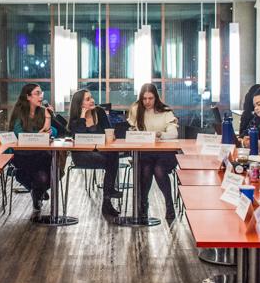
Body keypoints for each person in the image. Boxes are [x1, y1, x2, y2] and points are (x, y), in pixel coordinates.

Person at [127, 83, 178, 223]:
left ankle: (169, 205)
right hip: (145, 152)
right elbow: (131, 130)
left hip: (165, 153)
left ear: (156, 98)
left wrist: (160, 134)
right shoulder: (136, 109)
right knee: (146, 170)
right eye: (144, 99)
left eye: (150, 98)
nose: (147, 102)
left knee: (159, 169)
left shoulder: (165, 111)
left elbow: (174, 134)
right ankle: (143, 206)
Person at [67, 89, 122, 218]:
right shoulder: (76, 119)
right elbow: (79, 139)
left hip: (102, 152)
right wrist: (82, 117)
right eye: (87, 99)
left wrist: (110, 136)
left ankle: (107, 199)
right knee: (111, 160)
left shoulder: (100, 112)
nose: (92, 100)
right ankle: (108, 197)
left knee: (113, 155)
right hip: (81, 155)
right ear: (80, 104)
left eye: (91, 97)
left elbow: (108, 131)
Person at [9, 83, 54, 211]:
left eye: (41, 93)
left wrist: (48, 117)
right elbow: (18, 134)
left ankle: (38, 190)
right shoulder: (20, 113)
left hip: (40, 155)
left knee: (52, 172)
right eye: (37, 93)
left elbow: (55, 131)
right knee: (42, 177)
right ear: (28, 97)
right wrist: (38, 135)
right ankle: (38, 190)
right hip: (23, 156)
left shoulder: (42, 111)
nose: (41, 96)